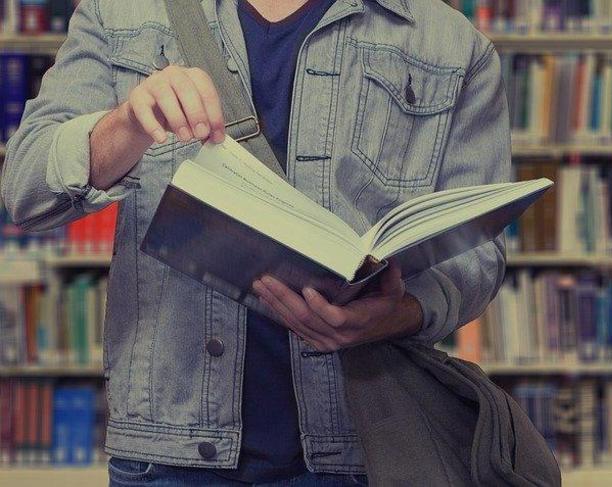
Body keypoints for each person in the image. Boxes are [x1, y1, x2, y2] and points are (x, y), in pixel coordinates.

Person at [1, 0, 510, 485]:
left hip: (362, 449)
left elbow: (476, 253)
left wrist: (400, 314)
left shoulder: (452, 46)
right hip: (170, 452)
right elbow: (25, 189)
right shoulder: (121, 13)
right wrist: (127, 123)